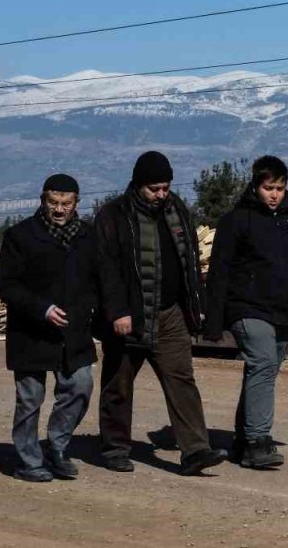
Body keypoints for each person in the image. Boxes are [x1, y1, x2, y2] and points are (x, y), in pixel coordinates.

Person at [93, 151, 226, 475]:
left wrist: (196, 306)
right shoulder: (114, 216)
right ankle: (115, 447)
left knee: (182, 380)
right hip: (129, 317)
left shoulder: (177, 210)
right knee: (119, 384)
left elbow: (189, 261)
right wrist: (118, 312)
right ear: (139, 185)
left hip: (170, 315)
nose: (161, 195)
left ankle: (195, 450)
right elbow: (105, 270)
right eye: (155, 189)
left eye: (165, 188)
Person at [203, 155, 288, 469]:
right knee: (262, 364)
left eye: (279, 187)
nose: (274, 194)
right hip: (246, 309)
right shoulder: (237, 221)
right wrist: (212, 322)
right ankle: (257, 442)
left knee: (262, 374)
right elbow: (219, 273)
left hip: (282, 312)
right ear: (255, 186)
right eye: (268, 188)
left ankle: (242, 439)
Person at [0, 173, 96, 482]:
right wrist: (42, 308)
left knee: (80, 386)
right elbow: (5, 284)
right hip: (31, 332)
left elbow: (101, 278)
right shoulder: (20, 236)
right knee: (30, 399)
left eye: (66, 203)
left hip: (73, 332)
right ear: (43, 200)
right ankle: (28, 460)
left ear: (77, 203)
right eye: (53, 202)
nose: (59, 209)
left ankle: (58, 447)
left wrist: (97, 309)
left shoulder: (89, 237)